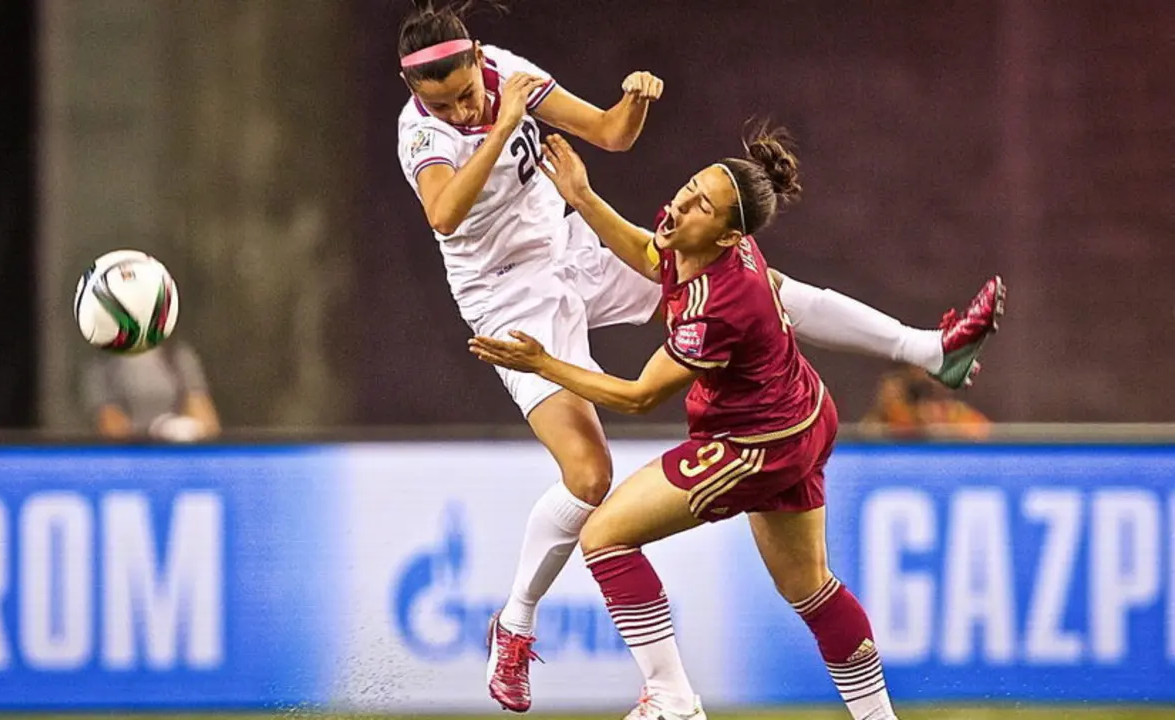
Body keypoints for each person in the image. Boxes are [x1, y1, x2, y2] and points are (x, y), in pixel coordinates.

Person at [396, 1, 998, 710]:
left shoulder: (513, 79)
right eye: (444, 101)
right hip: (510, 295)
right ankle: (517, 624)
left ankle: (670, 698)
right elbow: (443, 214)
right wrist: (531, 133)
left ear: (477, 60)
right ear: (417, 95)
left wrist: (629, 106)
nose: (463, 107)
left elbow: (611, 141)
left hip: (610, 299)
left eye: (467, 89)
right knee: (593, 478)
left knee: (610, 533)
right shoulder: (424, 134)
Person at [83, 339, 221, 441]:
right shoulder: (101, 367)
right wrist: (156, 434)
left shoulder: (179, 357)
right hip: (134, 462)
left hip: (182, 457)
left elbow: (206, 420)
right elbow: (111, 427)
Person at [862, 363, 991, 439]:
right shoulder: (899, 415)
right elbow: (867, 433)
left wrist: (949, 434)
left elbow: (986, 436)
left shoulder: (959, 414)